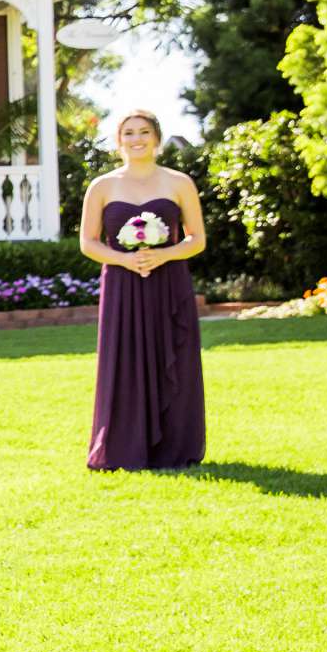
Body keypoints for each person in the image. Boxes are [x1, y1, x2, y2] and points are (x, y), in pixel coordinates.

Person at [80, 108, 207, 470]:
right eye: (129, 133)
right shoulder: (102, 186)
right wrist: (124, 261)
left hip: (169, 283)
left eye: (144, 132)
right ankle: (124, 446)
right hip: (122, 284)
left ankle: (175, 447)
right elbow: (88, 243)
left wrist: (164, 255)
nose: (137, 139)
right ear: (119, 141)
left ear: (156, 138)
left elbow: (197, 239)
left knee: (176, 357)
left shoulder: (179, 182)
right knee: (125, 360)